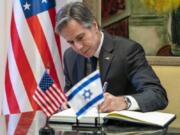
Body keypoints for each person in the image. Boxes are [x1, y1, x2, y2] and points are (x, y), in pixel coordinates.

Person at [55, 2, 168, 113]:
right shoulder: (70, 56)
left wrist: (123, 102)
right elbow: (71, 96)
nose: (78, 47)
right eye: (71, 42)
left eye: (80, 37)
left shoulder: (127, 51)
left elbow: (157, 95)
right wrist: (67, 103)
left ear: (94, 26)